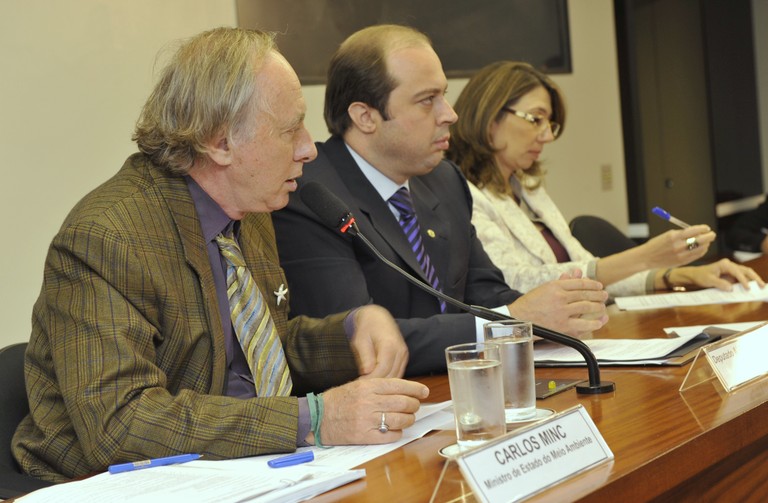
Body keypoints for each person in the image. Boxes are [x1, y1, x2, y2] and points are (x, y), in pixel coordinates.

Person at [13, 27, 429, 483]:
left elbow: (258, 352)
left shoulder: (249, 209)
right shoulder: (107, 237)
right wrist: (312, 419)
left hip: (240, 469)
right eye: (289, 130)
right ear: (220, 143)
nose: (309, 148)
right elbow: (121, 423)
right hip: (108, 484)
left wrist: (351, 330)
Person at [271, 25, 609, 377]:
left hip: (466, 387)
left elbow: (485, 293)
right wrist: (514, 321)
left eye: (443, 95)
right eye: (427, 100)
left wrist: (556, 310)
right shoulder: (311, 196)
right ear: (366, 116)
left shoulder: (444, 180)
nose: (450, 114)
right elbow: (359, 344)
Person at [446, 61, 763, 297]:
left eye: (549, 124)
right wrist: (644, 256)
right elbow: (511, 283)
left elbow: (590, 271)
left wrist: (678, 275)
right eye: (536, 119)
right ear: (490, 116)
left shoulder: (528, 190)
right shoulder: (462, 195)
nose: (547, 136)